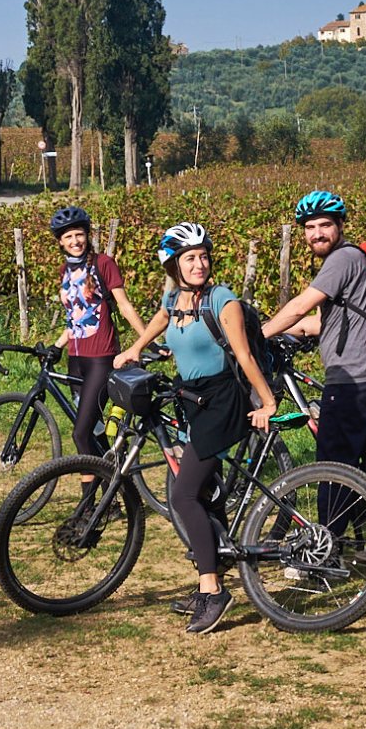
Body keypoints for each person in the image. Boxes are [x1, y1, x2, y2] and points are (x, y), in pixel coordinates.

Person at [115, 223, 277, 634]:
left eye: (203, 256)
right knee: (207, 494)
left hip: (223, 401)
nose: (200, 263)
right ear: (174, 265)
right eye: (190, 258)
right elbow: (161, 317)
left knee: (184, 496)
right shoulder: (176, 296)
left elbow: (243, 356)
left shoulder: (224, 301)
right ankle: (210, 584)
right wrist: (135, 348)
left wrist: (268, 402)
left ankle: (213, 590)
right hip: (192, 399)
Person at [261, 191, 366, 524]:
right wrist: (290, 331)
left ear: (340, 225)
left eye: (325, 225)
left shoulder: (342, 259)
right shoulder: (351, 259)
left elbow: (299, 306)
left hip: (353, 378)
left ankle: (327, 545)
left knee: (332, 463)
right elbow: (323, 320)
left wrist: (254, 337)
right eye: (310, 227)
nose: (317, 233)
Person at [50, 206, 146, 458]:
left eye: (79, 234)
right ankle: (117, 486)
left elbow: (124, 305)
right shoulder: (65, 272)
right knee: (94, 430)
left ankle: (90, 498)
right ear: (60, 241)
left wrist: (148, 340)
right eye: (68, 237)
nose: (75, 241)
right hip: (75, 361)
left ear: (87, 235)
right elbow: (76, 318)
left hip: (101, 359)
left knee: (80, 435)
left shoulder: (104, 263)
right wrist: (57, 345)